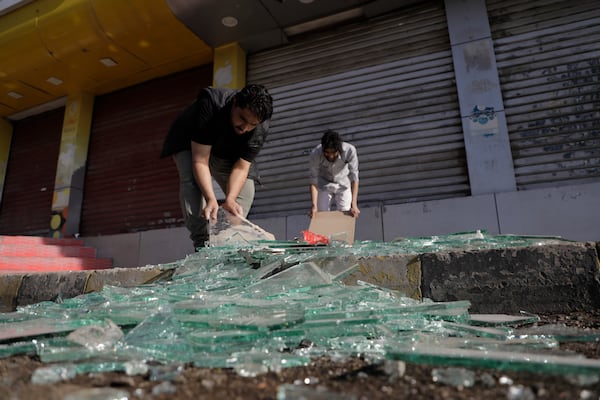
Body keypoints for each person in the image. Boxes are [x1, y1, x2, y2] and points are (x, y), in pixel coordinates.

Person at [160, 84, 273, 249]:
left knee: (245, 190)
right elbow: (200, 160)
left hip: (226, 148)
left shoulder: (259, 127)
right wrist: (211, 199)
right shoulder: (212, 104)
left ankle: (225, 241)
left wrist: (230, 199)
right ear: (234, 103)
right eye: (242, 118)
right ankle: (202, 243)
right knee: (191, 180)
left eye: (252, 124)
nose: (245, 127)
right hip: (189, 141)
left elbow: (242, 167)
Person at [309, 129, 360, 218]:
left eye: (333, 153)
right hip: (324, 183)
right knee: (321, 215)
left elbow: (354, 177)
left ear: (339, 149)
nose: (331, 156)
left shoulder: (350, 150)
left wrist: (354, 204)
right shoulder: (315, 154)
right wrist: (314, 206)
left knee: (346, 215)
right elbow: (313, 181)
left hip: (343, 184)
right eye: (327, 153)